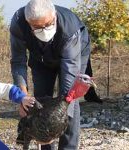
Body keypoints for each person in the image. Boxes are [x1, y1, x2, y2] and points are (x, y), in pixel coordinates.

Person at [10, 0, 100, 149]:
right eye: (37, 27)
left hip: (73, 53)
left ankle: (68, 147)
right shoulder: (19, 24)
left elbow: (69, 77)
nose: (44, 30)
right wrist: (22, 97)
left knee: (67, 102)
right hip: (40, 57)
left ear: (54, 15)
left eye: (48, 24)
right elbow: (18, 61)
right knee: (39, 101)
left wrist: (62, 108)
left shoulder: (69, 29)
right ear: (28, 22)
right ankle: (45, 144)